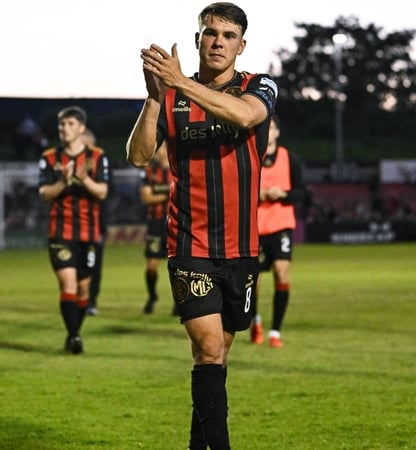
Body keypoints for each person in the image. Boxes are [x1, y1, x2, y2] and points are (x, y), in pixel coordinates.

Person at [126, 3, 277, 448]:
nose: (217, 41)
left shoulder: (258, 86)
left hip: (242, 247)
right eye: (210, 33)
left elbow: (248, 117)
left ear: (241, 45)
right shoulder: (170, 96)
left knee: (217, 355)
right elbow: (137, 156)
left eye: (228, 36)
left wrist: (180, 83)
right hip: (189, 242)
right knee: (208, 349)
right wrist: (155, 97)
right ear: (197, 39)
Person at [39, 106, 109, 354]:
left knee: (83, 289)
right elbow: (44, 194)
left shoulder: (98, 157)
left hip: (88, 234)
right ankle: (74, 336)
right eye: (61, 125)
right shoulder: (49, 158)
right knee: (67, 283)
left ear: (81, 128)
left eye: (69, 124)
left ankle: (74, 334)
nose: (64, 129)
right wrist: (62, 181)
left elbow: (102, 192)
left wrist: (83, 178)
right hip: (60, 232)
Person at [251, 115, 304, 348]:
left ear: (277, 133)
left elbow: (301, 193)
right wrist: (258, 195)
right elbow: (238, 191)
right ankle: (255, 322)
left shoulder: (289, 158)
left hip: (281, 227)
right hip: (256, 228)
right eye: (264, 127)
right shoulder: (251, 156)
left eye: (271, 127)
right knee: (254, 282)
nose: (268, 131)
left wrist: (283, 193)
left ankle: (275, 332)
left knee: (282, 274)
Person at [139, 145, 172, 315]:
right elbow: (146, 197)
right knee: (151, 266)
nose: (158, 151)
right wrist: (170, 193)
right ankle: (152, 295)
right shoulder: (149, 171)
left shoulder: (178, 167)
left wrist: (158, 195)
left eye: (161, 148)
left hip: (175, 222)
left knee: (177, 265)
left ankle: (179, 301)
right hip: (155, 223)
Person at [82, 129, 105, 316]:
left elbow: (104, 192)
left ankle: (91, 301)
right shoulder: (68, 161)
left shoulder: (101, 163)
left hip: (95, 223)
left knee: (93, 264)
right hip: (71, 224)